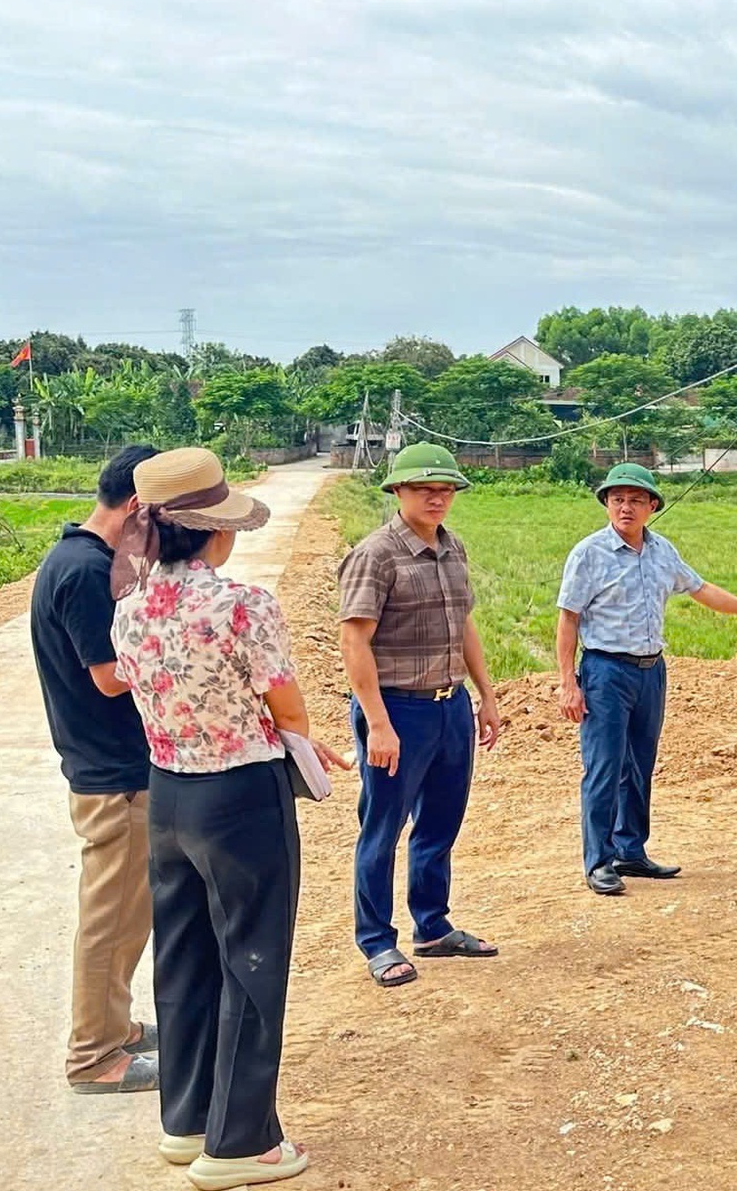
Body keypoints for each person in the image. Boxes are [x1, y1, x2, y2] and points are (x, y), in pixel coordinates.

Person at [110, 446, 348, 1189]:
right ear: (216, 531)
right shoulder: (242, 605)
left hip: (169, 793)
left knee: (182, 956)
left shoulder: (127, 611)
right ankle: (241, 1140)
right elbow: (285, 701)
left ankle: (186, 1121)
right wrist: (310, 744)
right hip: (239, 792)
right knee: (252, 956)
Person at [556, 463, 737, 896]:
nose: (625, 507)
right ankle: (599, 861)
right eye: (617, 499)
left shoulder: (663, 551)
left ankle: (631, 851)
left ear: (652, 506)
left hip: (650, 672)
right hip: (605, 672)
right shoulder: (589, 554)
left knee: (639, 765)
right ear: (607, 504)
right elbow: (568, 618)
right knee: (604, 768)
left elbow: (701, 589)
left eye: (636, 500)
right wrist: (569, 683)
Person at [337, 441, 503, 988]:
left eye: (446, 488)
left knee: (439, 823)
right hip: (397, 711)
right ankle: (378, 942)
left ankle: (432, 927)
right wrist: (377, 723)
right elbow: (354, 642)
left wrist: (485, 694)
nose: (438, 497)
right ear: (398, 491)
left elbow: (465, 626)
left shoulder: (453, 549)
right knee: (382, 827)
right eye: (425, 488)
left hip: (448, 705)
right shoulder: (376, 554)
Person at [29, 442, 162, 1094]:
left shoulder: (82, 557)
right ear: (137, 507)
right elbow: (109, 678)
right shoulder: (83, 570)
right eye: (163, 518)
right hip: (112, 774)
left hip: (113, 767)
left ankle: (117, 1026)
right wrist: (177, 651)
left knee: (128, 914)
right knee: (109, 918)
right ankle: (93, 1056)